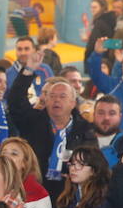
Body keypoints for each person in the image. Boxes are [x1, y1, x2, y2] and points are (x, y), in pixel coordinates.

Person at [8, 54, 98, 198]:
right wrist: (28, 71)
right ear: (46, 100)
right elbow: (15, 101)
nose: (56, 100)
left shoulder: (85, 130)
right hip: (35, 193)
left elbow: (92, 164)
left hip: (72, 195)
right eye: (52, 96)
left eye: (62, 96)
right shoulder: (32, 121)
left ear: (73, 103)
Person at [87, 39, 123, 130]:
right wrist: (97, 53)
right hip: (115, 138)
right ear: (122, 66)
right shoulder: (112, 85)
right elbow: (95, 73)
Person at [0, 137, 52, 208]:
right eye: (3, 153)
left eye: (14, 154)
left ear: (25, 163)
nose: (6, 157)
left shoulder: (38, 192)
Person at [91, 95, 123, 167]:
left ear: (120, 116)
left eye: (112, 113)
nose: (106, 118)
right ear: (94, 115)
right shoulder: (80, 138)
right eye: (101, 113)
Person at [83, 0, 117, 70]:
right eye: (91, 7)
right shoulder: (111, 20)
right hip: (108, 57)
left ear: (102, 8)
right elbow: (113, 41)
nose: (92, 9)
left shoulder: (100, 22)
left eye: (95, 7)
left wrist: (87, 59)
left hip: (100, 57)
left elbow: (93, 43)